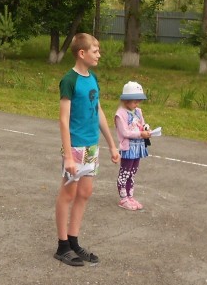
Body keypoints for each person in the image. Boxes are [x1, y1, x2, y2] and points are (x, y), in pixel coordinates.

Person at [54, 33, 120, 267]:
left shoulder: (92, 78)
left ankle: (73, 240)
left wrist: (111, 144)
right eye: (95, 50)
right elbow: (64, 120)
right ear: (82, 53)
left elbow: (98, 111)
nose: (99, 54)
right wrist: (68, 156)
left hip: (92, 146)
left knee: (85, 193)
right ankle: (62, 246)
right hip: (75, 147)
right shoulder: (69, 80)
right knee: (68, 194)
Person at [114, 81, 151, 211]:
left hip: (138, 147)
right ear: (126, 100)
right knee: (125, 172)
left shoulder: (138, 111)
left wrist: (146, 130)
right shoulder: (120, 114)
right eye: (135, 102)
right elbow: (125, 132)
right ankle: (123, 198)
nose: (137, 104)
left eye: (138, 101)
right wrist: (141, 134)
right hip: (128, 147)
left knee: (133, 172)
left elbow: (142, 124)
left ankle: (130, 196)